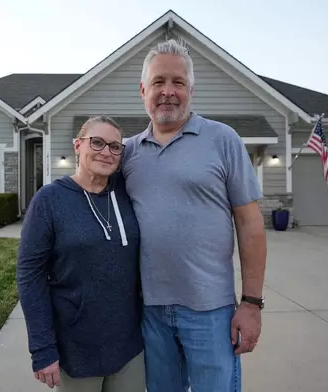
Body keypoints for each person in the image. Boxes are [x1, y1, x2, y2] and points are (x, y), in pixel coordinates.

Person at [121, 39, 267, 392]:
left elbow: (250, 224)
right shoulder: (126, 153)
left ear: (191, 90)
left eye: (178, 82)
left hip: (211, 312)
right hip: (150, 311)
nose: (168, 92)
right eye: (159, 82)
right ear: (143, 90)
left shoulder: (223, 140)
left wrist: (251, 304)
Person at [16, 116, 146, 391]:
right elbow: (30, 276)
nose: (106, 152)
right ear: (78, 145)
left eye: (114, 146)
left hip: (130, 345)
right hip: (76, 348)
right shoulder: (49, 200)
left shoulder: (127, 194)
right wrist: (42, 348)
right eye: (97, 142)